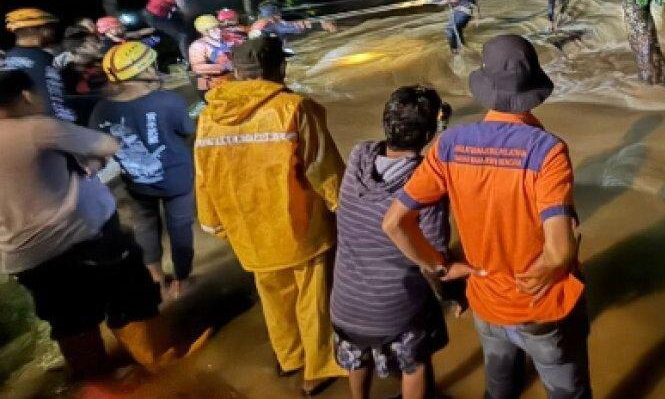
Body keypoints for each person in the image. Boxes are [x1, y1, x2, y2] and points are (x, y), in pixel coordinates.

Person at [383, 34, 590, 399]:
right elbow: (559, 252)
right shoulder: (548, 151)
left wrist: (439, 267)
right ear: (535, 85)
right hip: (540, 309)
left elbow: (395, 223)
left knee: (499, 391)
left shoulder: (448, 144)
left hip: (485, 302)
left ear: (485, 84)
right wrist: (549, 267)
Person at [0, 70, 194, 377]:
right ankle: (159, 365)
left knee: (69, 320)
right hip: (84, 239)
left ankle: (96, 382)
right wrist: (92, 161)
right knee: (130, 298)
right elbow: (106, 144)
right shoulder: (35, 128)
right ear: (25, 96)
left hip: (25, 258)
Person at [194, 36, 345, 396]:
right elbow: (322, 168)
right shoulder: (294, 108)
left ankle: (289, 356)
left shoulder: (209, 115)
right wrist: (345, 208)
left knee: (273, 294)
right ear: (279, 67)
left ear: (237, 71)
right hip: (298, 225)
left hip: (246, 228)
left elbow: (204, 174)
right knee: (313, 296)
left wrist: (214, 223)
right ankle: (318, 366)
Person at [331, 86, 465, 399]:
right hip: (393, 312)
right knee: (415, 363)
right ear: (430, 130)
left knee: (356, 354)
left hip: (344, 305)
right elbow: (434, 258)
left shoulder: (358, 157)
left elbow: (408, 160)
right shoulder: (425, 186)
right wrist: (455, 293)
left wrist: (434, 127)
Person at [91, 42, 197, 300]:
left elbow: (98, 148)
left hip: (137, 183)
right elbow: (187, 132)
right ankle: (181, 280)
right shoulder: (168, 101)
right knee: (180, 228)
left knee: (145, 228)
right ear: (144, 69)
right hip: (178, 181)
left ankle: (156, 279)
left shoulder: (101, 109)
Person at [3, 8, 76, 122]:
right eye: (48, 27)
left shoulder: (6, 58)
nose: (52, 31)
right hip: (44, 127)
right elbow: (54, 101)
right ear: (32, 29)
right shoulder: (44, 59)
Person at [55, 27, 108, 123]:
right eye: (95, 43)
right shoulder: (66, 75)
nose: (101, 45)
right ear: (80, 48)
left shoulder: (106, 63)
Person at [141, 0, 192, 66]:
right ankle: (189, 62)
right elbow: (183, 9)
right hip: (156, 17)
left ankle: (158, 56)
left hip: (150, 14)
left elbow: (164, 2)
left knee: (168, 34)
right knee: (182, 35)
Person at [250, 1, 336, 47]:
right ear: (275, 13)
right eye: (279, 13)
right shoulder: (275, 24)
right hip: (273, 54)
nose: (280, 15)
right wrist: (321, 24)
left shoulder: (256, 25)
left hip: (260, 53)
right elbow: (295, 27)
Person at [188, 15, 234, 92]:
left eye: (218, 27)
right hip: (214, 84)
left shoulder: (224, 39)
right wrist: (224, 67)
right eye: (214, 29)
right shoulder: (198, 46)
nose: (219, 31)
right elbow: (197, 68)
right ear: (204, 32)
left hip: (232, 77)